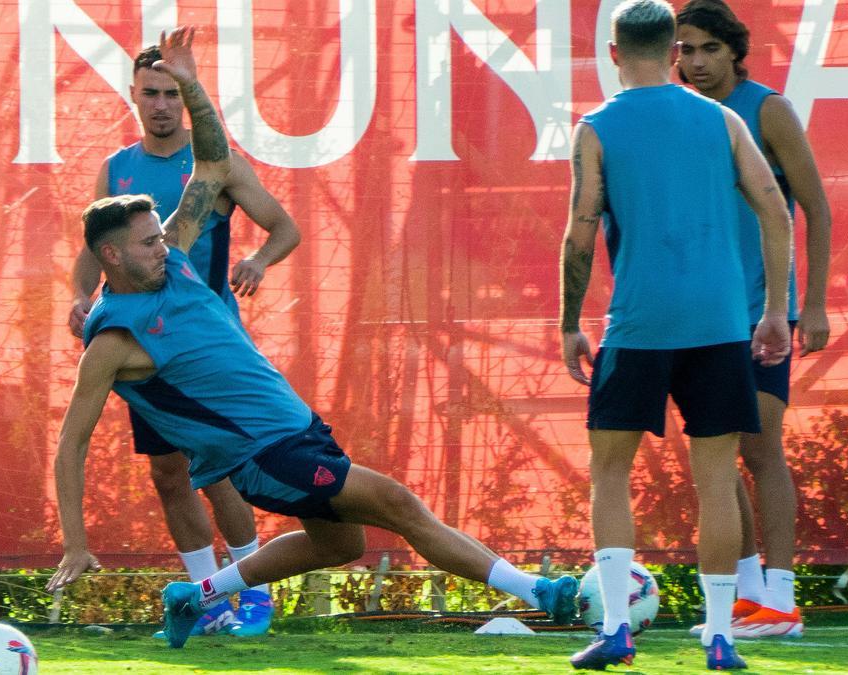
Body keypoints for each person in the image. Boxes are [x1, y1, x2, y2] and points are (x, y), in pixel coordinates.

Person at [44, 25, 579, 650]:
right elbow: (69, 447)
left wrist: (193, 87)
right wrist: (76, 544)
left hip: (295, 429)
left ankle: (196, 595)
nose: (165, 242)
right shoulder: (112, 343)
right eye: (149, 240)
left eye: (163, 234)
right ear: (111, 255)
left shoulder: (178, 262)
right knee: (399, 504)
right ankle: (542, 594)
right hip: (263, 456)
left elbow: (214, 164)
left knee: (339, 544)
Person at [560, 0, 792, 669]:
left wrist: (569, 322)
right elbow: (777, 210)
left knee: (610, 471)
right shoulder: (721, 119)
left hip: (637, 326)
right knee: (717, 481)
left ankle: (615, 629)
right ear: (672, 53)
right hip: (720, 325)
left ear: (612, 53)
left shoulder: (597, 126)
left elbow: (580, 234)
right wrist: (775, 309)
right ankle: (720, 636)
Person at [66, 39, 302, 638]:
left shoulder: (209, 163)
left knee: (218, 467)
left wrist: (259, 260)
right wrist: (80, 295)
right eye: (153, 93)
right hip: (146, 347)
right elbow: (93, 252)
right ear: (134, 97)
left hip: (207, 342)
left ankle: (251, 593)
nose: (164, 104)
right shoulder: (117, 169)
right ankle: (208, 601)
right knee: (169, 473)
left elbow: (284, 227)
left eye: (174, 93)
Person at [675, 0, 832, 639]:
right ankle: (745, 599)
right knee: (716, 451)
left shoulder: (769, 110)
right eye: (685, 49)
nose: (696, 61)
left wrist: (812, 304)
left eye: (708, 48)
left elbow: (816, 209)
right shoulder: (681, 115)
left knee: (762, 450)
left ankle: (784, 602)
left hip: (764, 317)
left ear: (735, 52)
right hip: (700, 318)